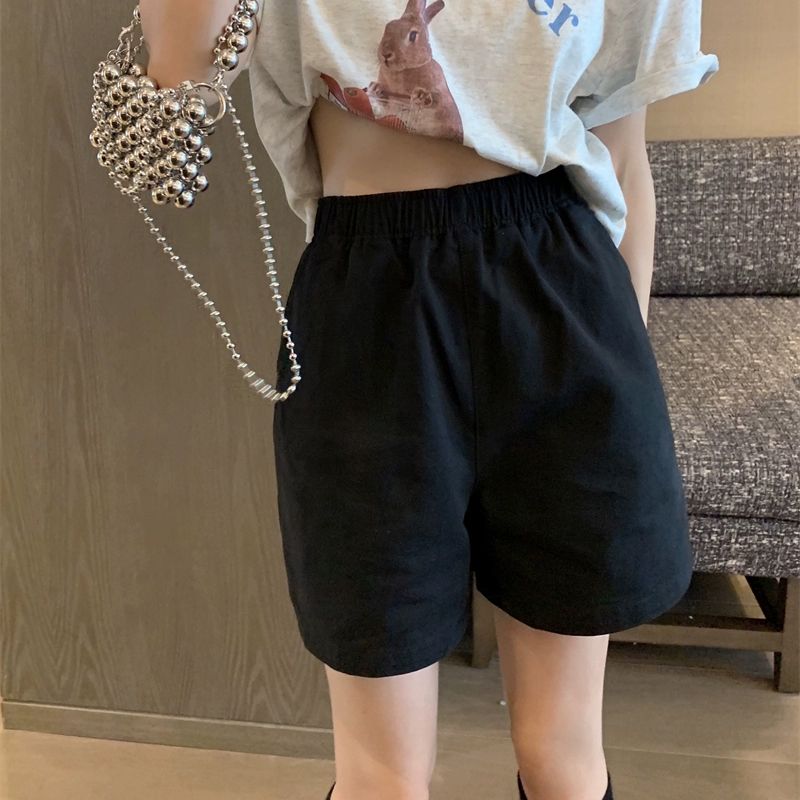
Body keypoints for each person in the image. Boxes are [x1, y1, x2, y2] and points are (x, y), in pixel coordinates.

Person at [143, 2, 720, 798]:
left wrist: (627, 369)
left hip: (565, 297)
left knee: (563, 759)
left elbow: (621, 158)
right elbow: (176, 79)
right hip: (366, 308)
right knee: (381, 777)